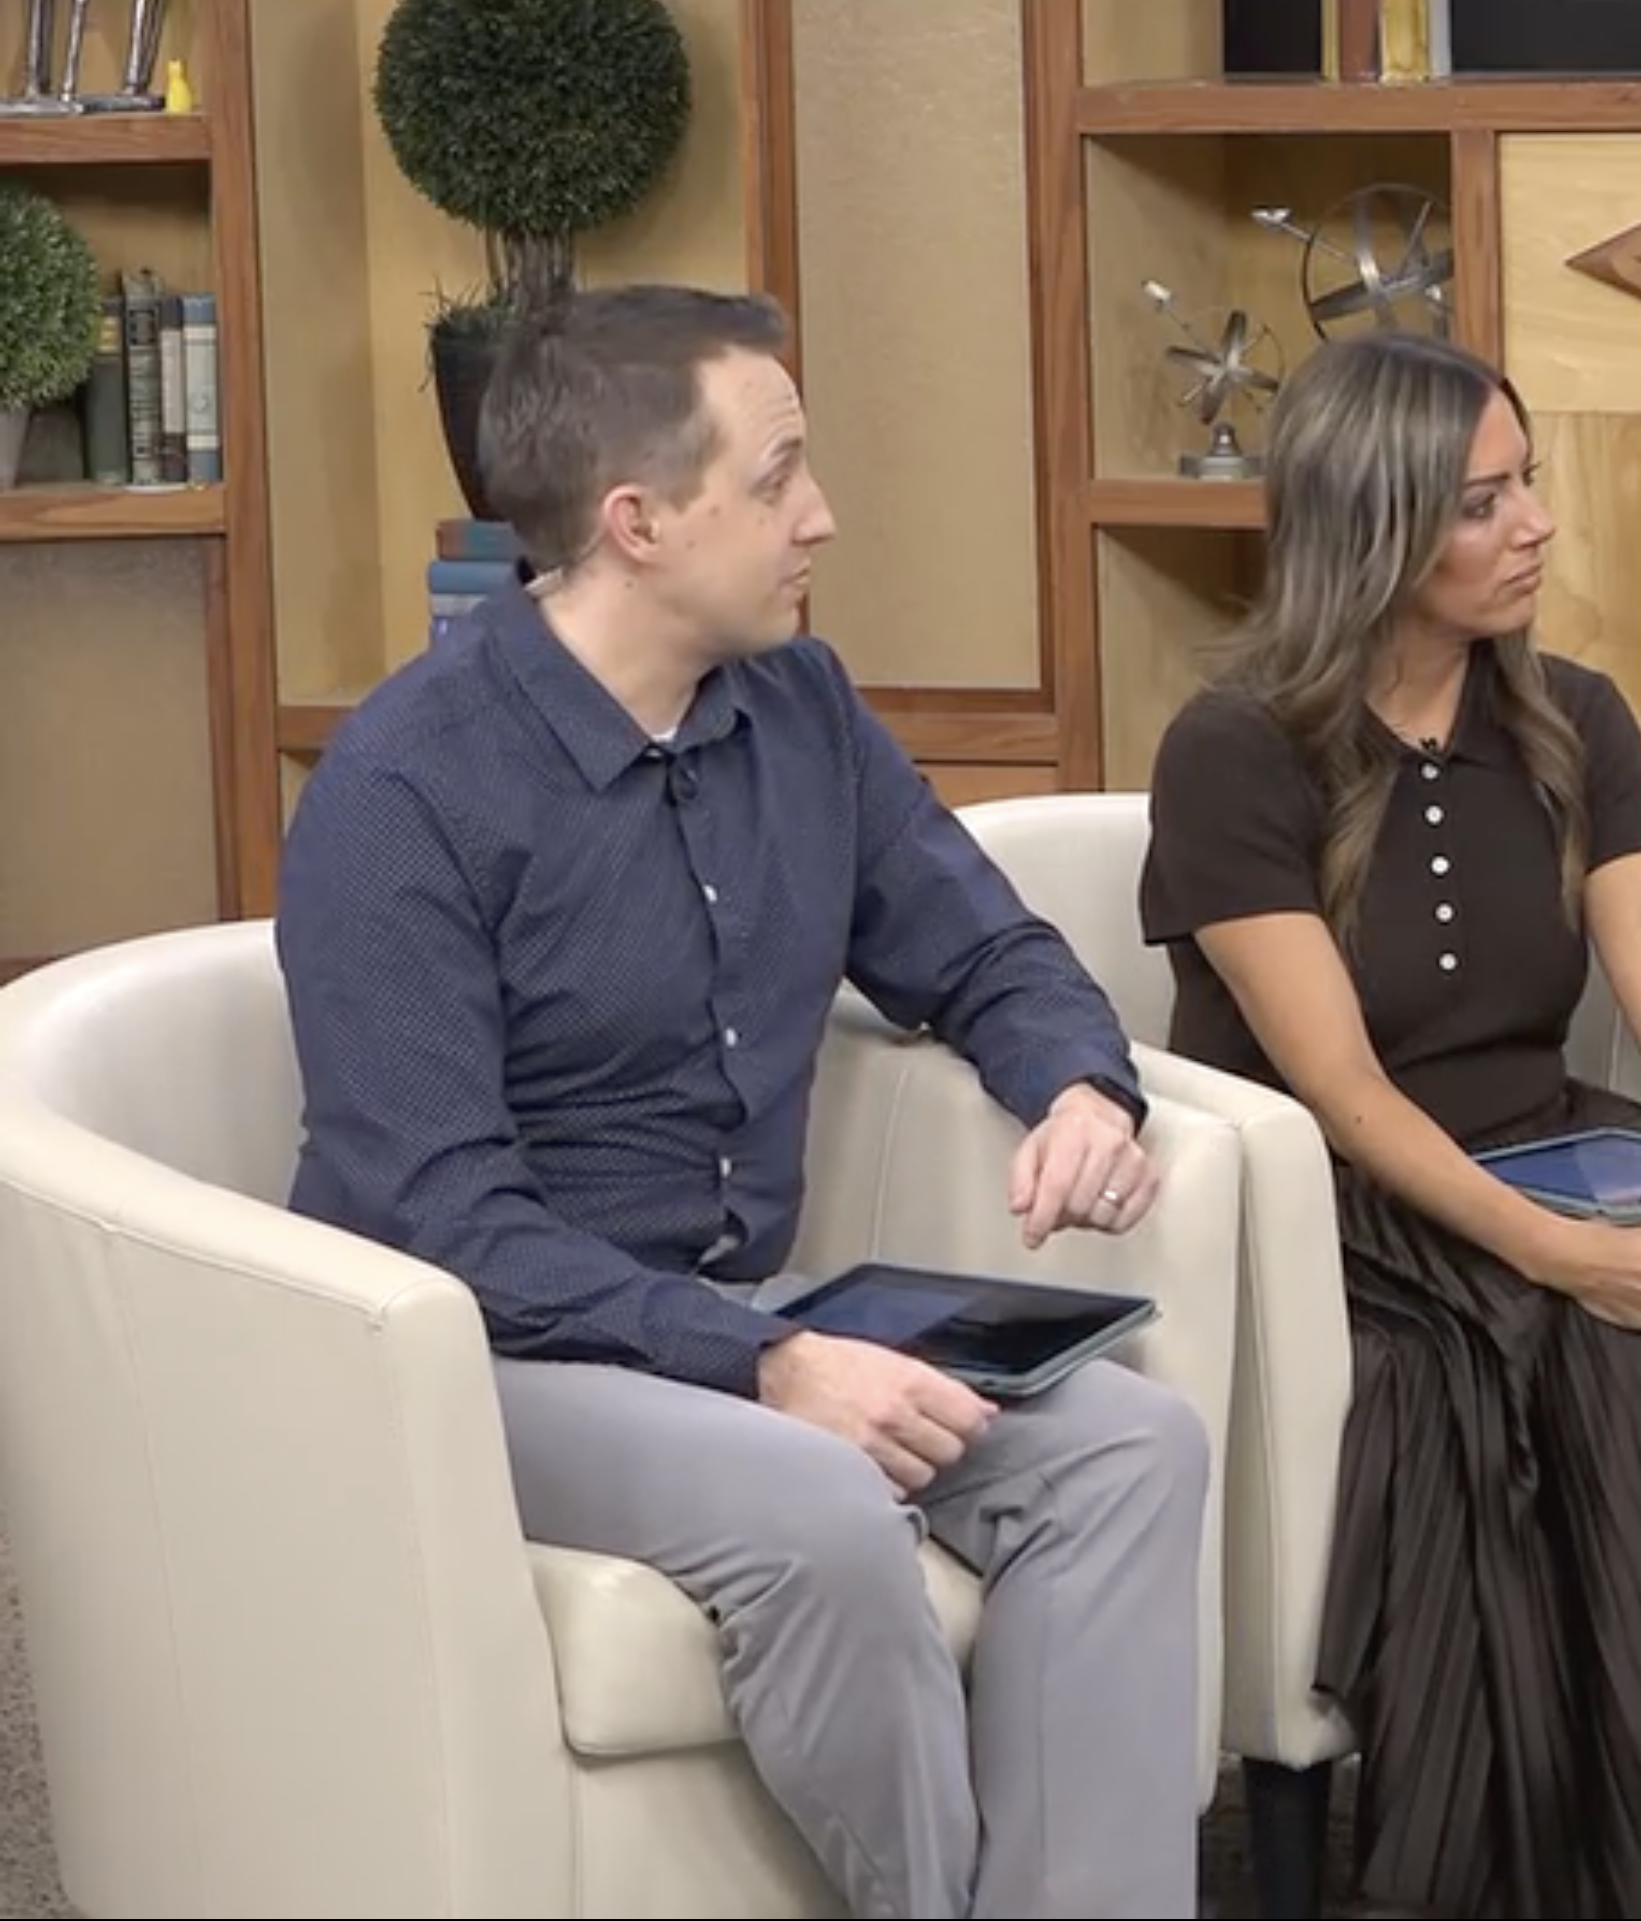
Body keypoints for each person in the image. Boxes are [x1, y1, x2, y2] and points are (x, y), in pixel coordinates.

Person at [275, 285, 1213, 1920]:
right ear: (636, 522)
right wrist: (766, 1361)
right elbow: (442, 1216)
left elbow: (979, 942)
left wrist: (1076, 1080)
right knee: (820, 1505)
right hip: (481, 1353)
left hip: (738, 1311)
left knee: (1128, 1448)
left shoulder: (801, 710)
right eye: (777, 477)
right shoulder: (404, 791)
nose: (821, 516)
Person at [1136, 331, 1641, 1920]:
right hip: (1351, 1208)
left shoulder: (1570, 719)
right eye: (1483, 502)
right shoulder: (1238, 751)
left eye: (1529, 483)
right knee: (1583, 1346)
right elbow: (1348, 1096)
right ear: (1375, 528)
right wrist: (1568, 1256)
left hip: (1554, 1136)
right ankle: (1624, 1871)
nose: (1535, 526)